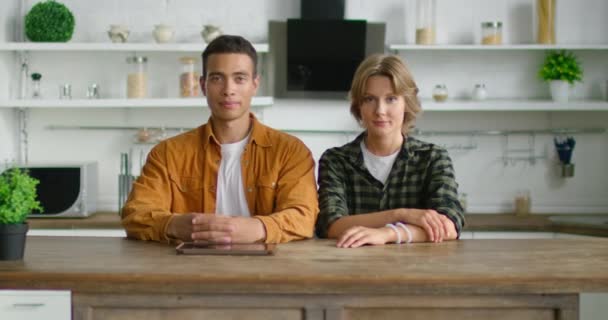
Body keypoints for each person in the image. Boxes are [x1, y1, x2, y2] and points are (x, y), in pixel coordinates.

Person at [122, 35, 318, 244]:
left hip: (266, 270)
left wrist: (259, 227)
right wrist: (174, 225)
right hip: (189, 269)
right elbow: (136, 214)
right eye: (217, 78)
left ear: (255, 84)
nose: (228, 90)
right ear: (203, 85)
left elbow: (304, 215)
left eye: (239, 78)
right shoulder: (167, 154)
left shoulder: (290, 151)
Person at [316, 54, 465, 248]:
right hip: (354, 272)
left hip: (418, 273)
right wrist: (401, 215)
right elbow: (331, 225)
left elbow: (449, 225)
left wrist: (388, 233)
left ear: (407, 103)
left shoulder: (433, 158)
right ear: (359, 106)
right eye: (369, 99)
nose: (380, 110)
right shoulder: (336, 160)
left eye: (391, 99)